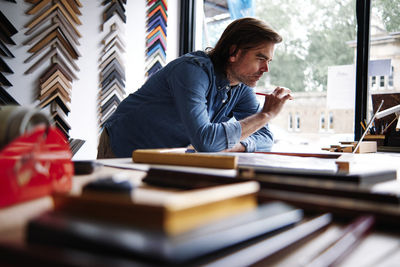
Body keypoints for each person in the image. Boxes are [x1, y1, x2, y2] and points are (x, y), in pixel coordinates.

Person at [97, 17, 293, 159]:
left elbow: (265, 137)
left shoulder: (241, 86)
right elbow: (206, 141)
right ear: (233, 52)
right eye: (260, 58)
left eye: (268, 61)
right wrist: (265, 115)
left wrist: (234, 146)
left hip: (164, 155)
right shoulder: (191, 71)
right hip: (123, 146)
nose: (266, 69)